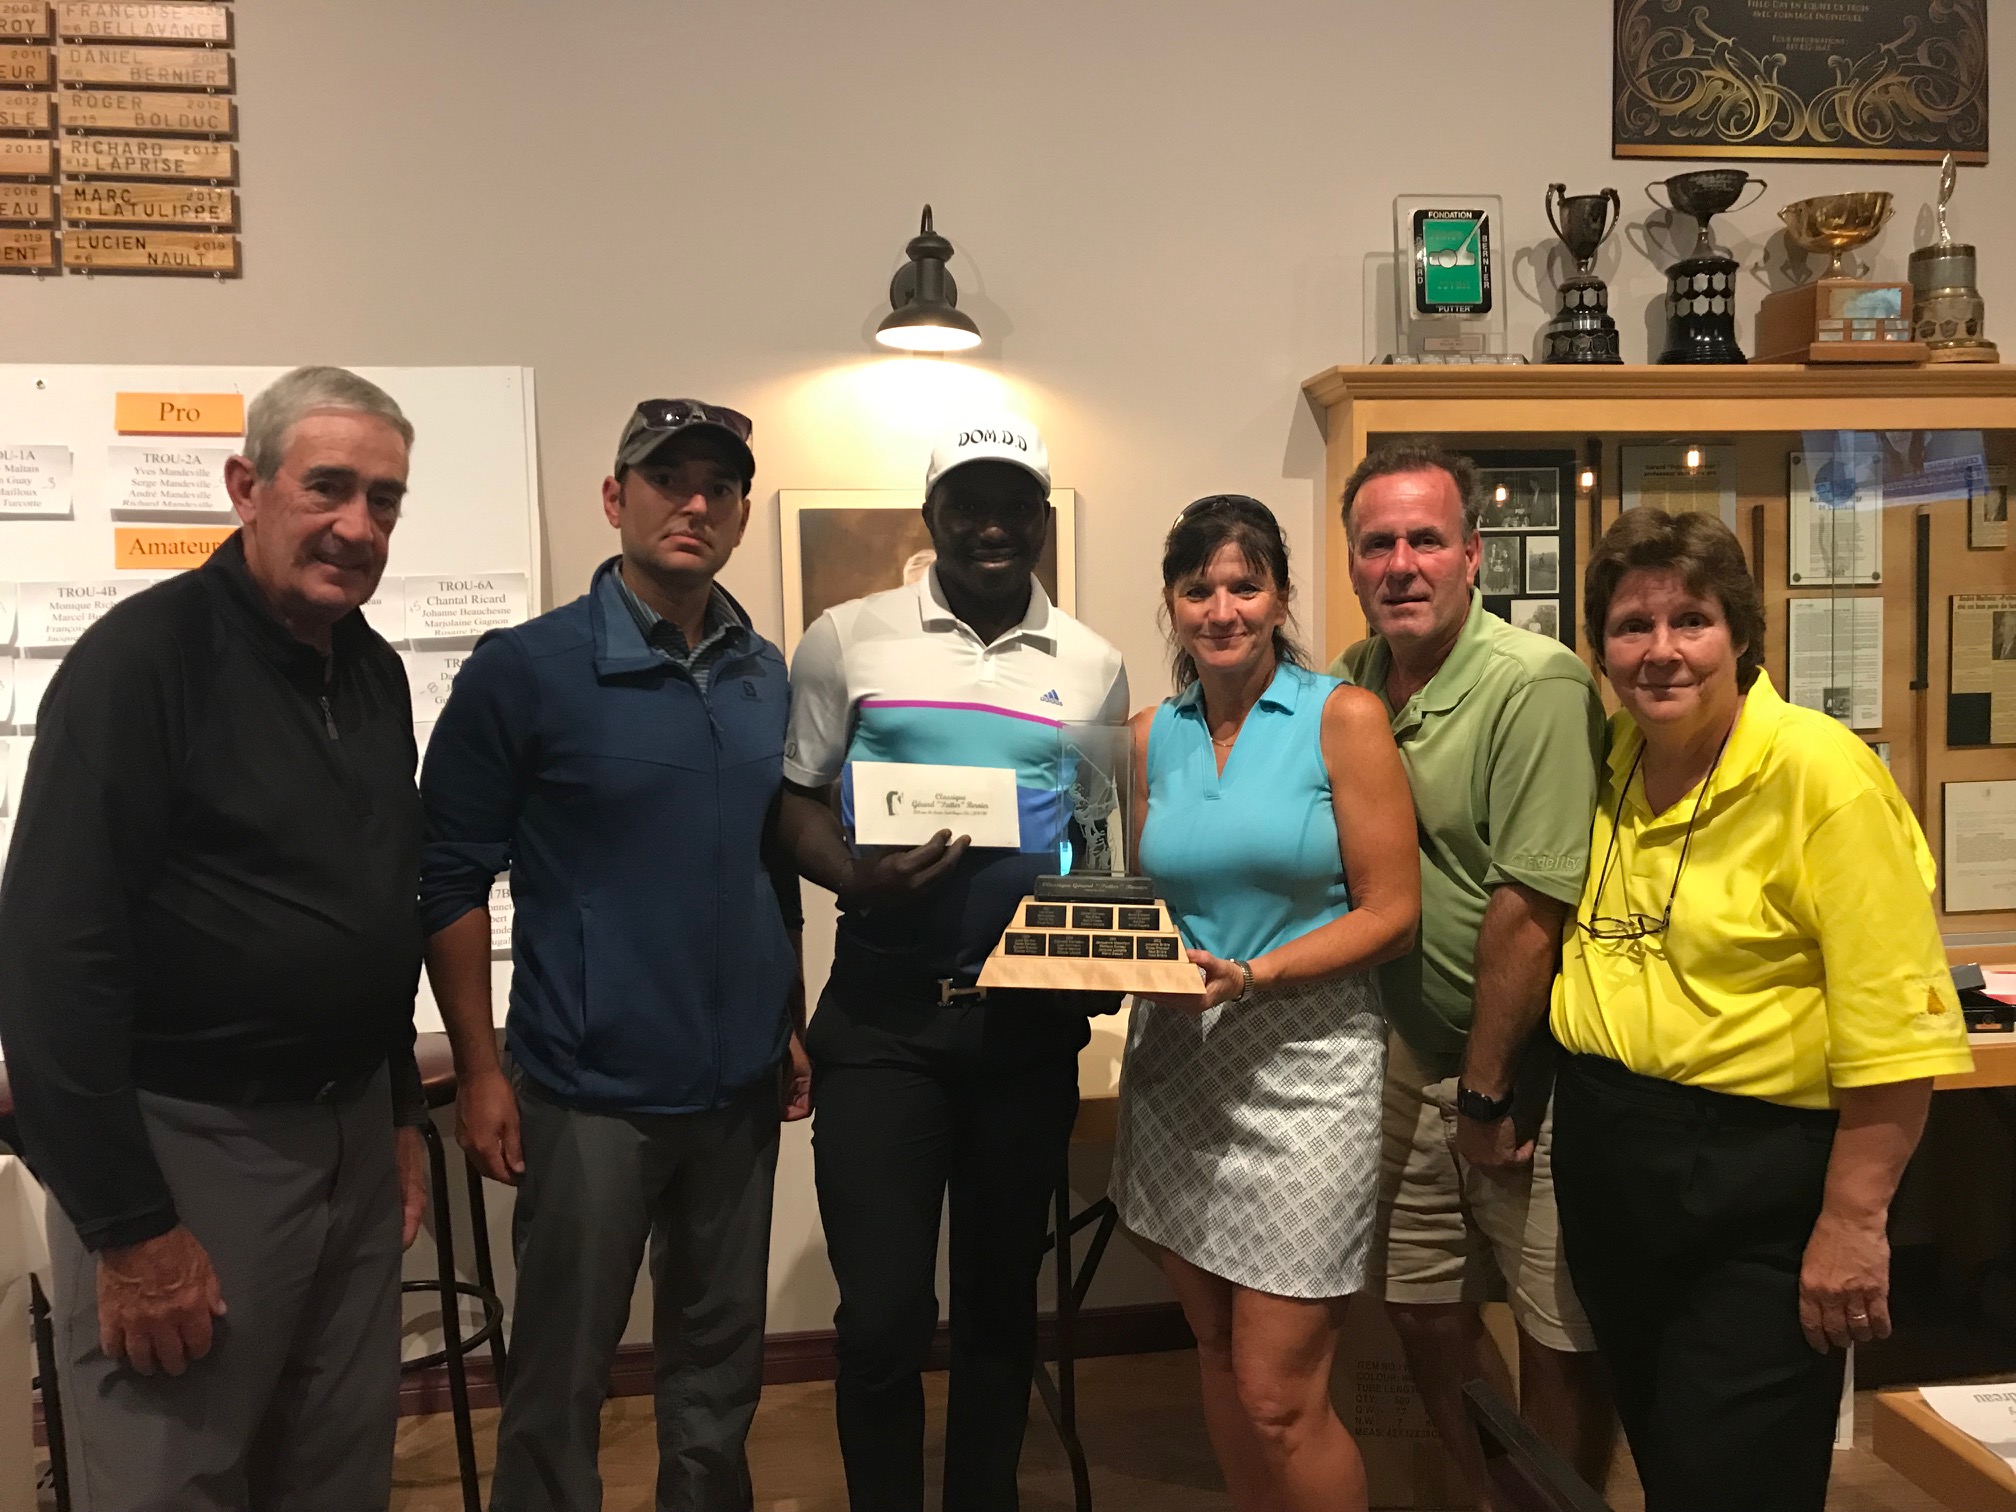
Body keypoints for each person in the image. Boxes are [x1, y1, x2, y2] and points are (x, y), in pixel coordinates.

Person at [0, 366, 429, 1512]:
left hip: (347, 1138)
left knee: (334, 1476)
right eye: (328, 487)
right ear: (247, 487)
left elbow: (374, 903)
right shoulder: (140, 666)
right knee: (170, 1479)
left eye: (383, 499)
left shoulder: (373, 674)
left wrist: (396, 1107)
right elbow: (53, 961)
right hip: (191, 1144)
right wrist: (132, 1229)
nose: (357, 525)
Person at [420, 398, 808, 1512]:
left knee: (719, 1377)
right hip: (587, 1090)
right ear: (614, 498)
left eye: (719, 487)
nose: (695, 503)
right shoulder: (527, 669)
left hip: (737, 1092)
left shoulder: (765, 673)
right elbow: (447, 877)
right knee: (560, 1374)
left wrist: (785, 1020)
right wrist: (482, 1069)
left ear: (740, 516)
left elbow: (769, 862)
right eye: (668, 480)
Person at [1551, 508, 1974, 1512]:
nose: (1660, 651)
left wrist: (1853, 1224)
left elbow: (1895, 1032)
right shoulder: (1613, 756)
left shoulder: (1820, 773)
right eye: (1631, 626)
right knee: (1666, 1455)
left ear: (1740, 634)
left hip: (1755, 1184)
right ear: (1601, 647)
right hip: (1615, 1163)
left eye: (1690, 621)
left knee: (1734, 1478)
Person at [776, 415, 1127, 1511]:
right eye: (968, 504)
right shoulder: (846, 637)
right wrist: (855, 874)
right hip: (883, 1026)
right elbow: (793, 802)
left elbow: (1095, 834)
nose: (992, 526)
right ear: (931, 514)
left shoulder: (1094, 662)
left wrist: (1106, 951)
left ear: (1041, 517)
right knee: (883, 1318)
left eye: (1015, 505)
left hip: (1024, 1030)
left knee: (998, 1308)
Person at [1111, 495, 1418, 1511]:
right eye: (1198, 589)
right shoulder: (1147, 736)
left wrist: (1256, 975)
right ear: (1171, 603)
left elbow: (1392, 913)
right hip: (1178, 1068)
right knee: (1213, 1349)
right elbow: (1138, 897)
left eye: (1245, 586)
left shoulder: (1343, 717)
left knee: (1280, 1394)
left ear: (1282, 597)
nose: (1222, 609)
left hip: (1309, 1072)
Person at [1330, 441, 1614, 1508]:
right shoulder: (1355, 679)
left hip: (1526, 1073)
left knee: (1556, 1335)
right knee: (1420, 1310)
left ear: (1473, 554)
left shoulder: (1534, 684)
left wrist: (1489, 1092)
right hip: (1404, 1059)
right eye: (1378, 544)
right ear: (1352, 563)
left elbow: (1530, 910)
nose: (1401, 564)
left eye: (1426, 540)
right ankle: (1503, 1500)